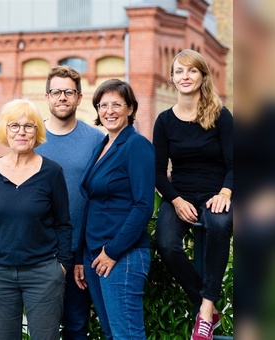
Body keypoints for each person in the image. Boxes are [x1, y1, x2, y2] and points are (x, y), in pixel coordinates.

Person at [0, 98, 72, 340]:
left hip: (43, 272)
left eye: (29, 126)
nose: (21, 132)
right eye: (14, 126)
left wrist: (62, 266)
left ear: (37, 132)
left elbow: (63, 223)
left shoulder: (52, 171)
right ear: (4, 131)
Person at [153, 49, 233, 340]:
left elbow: (237, 163)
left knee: (219, 225)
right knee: (165, 243)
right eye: (179, 72)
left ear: (202, 76)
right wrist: (174, 199)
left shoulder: (221, 116)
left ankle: (204, 313)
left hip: (216, 193)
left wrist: (225, 191)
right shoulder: (164, 121)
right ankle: (207, 306)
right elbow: (158, 172)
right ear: (172, 79)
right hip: (181, 193)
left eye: (191, 71)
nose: (185, 77)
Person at [79, 79, 155, 339]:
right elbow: (92, 202)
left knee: (127, 335)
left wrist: (112, 251)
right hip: (94, 254)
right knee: (112, 334)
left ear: (131, 109)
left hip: (122, 254)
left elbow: (143, 205)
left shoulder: (136, 145)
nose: (109, 111)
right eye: (103, 105)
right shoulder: (103, 145)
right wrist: (83, 255)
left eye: (116, 104)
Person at [34, 65, 105, 340]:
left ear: (78, 97)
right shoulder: (31, 137)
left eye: (68, 92)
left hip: (80, 252)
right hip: (38, 252)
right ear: (47, 96)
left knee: (77, 327)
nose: (62, 97)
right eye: (56, 92)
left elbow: (100, 197)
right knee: (42, 327)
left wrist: (82, 254)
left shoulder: (97, 140)